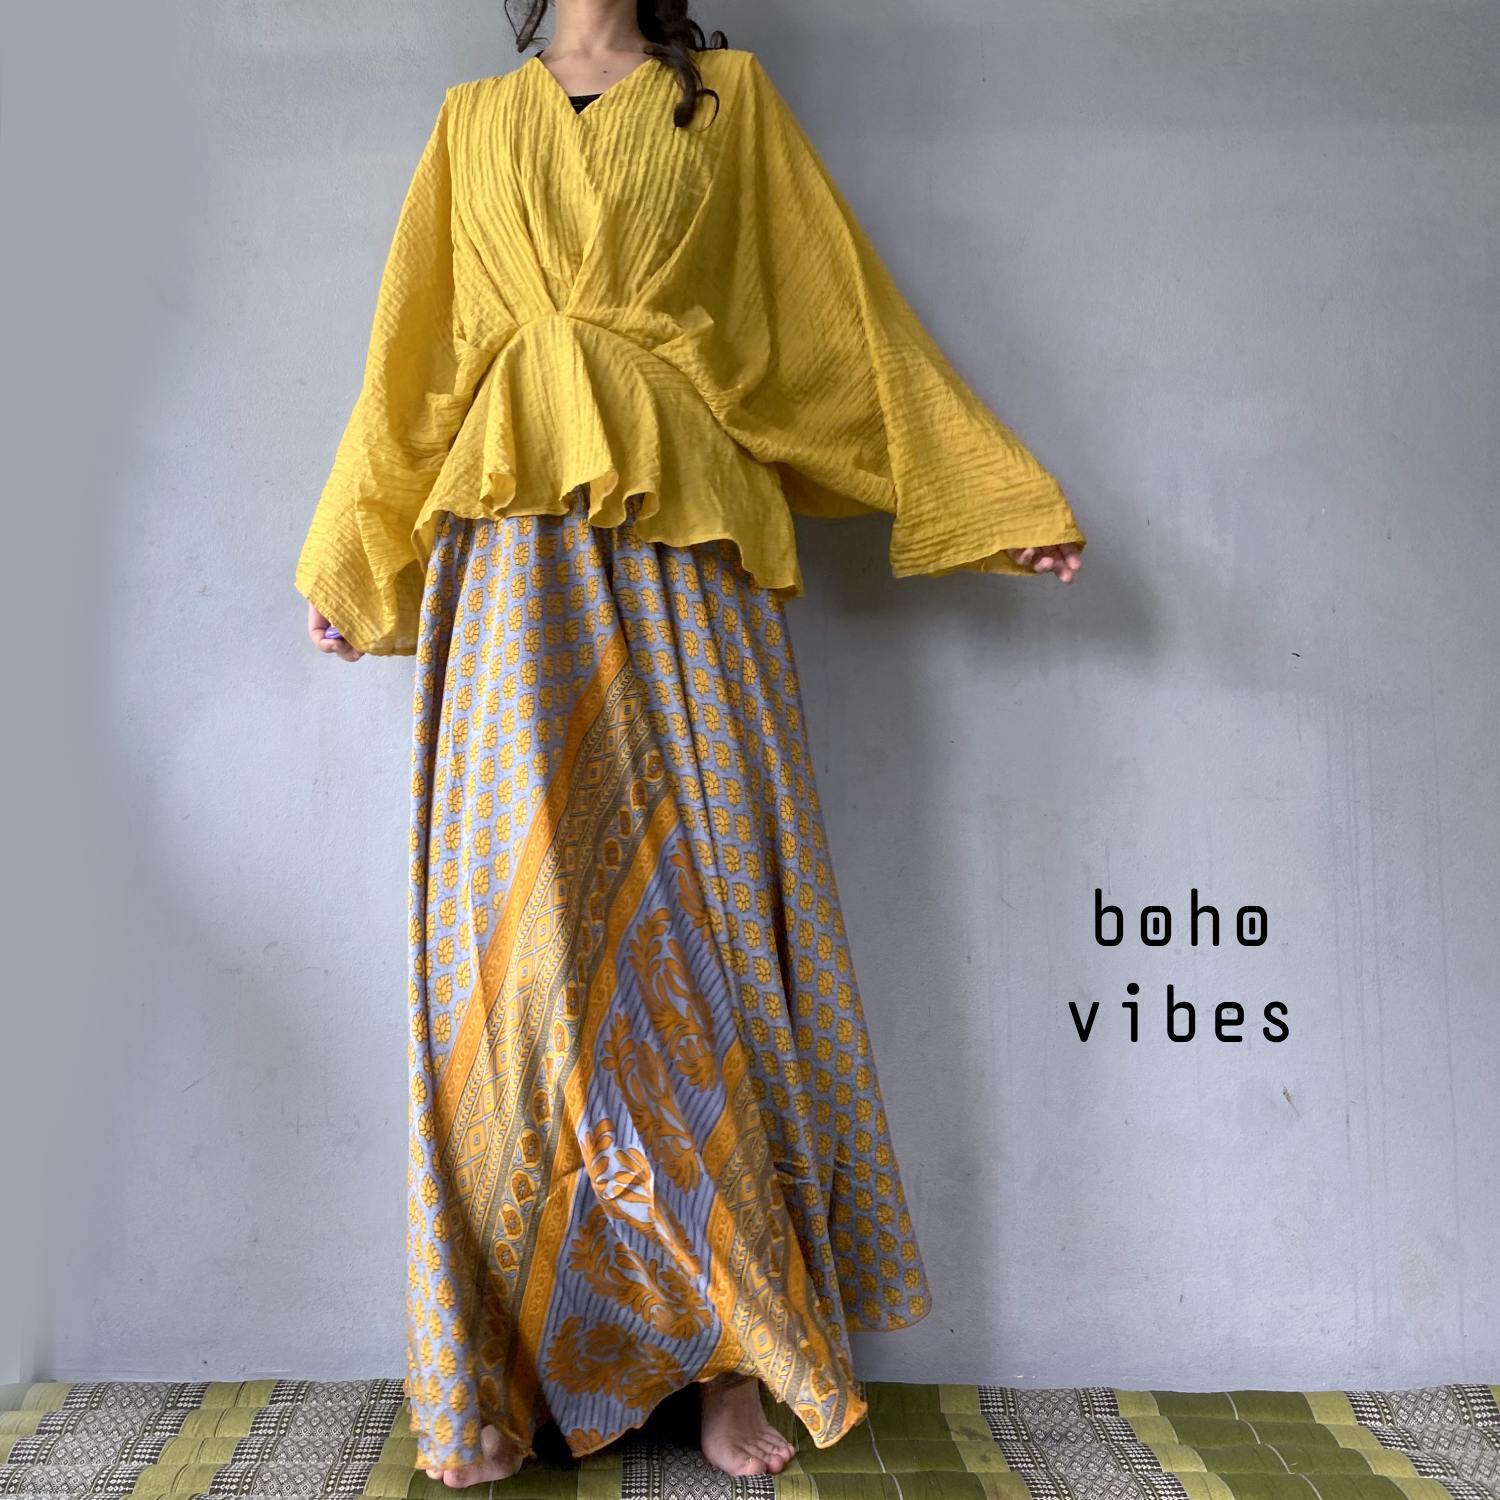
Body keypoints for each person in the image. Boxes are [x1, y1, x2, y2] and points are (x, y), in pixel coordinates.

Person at [296, 1, 1085, 1487]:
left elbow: (837, 320)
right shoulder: (472, 122)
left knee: (715, 930)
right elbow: (413, 364)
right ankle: (505, 1369)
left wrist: (995, 500)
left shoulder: (724, 101)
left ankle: (737, 1361)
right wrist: (355, 556)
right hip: (512, 555)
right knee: (516, 964)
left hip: (689, 539)